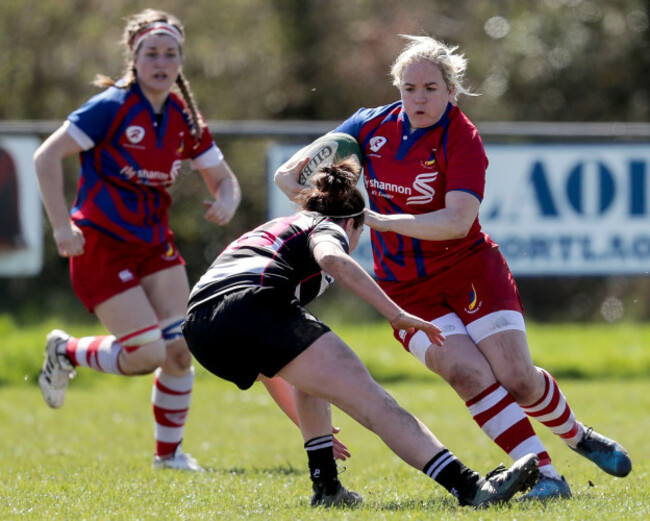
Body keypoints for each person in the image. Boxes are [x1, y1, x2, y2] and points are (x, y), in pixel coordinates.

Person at [274, 35, 632, 500]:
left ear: (451, 90)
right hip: (404, 288)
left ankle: (577, 436)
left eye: (430, 88)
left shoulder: (462, 138)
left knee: (517, 377)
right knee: (466, 373)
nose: (418, 98)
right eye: (409, 88)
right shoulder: (367, 125)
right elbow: (296, 174)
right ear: (397, 88)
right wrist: (291, 176)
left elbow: (455, 221)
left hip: (470, 269)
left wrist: (381, 220)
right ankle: (546, 477)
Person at [183, 159, 540, 508]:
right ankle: (471, 488)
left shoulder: (277, 227)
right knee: (376, 404)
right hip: (252, 306)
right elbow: (332, 259)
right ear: (354, 224)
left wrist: (303, 425)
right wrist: (396, 314)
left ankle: (327, 487)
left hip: (200, 326)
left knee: (311, 376)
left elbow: (273, 365)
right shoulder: (327, 226)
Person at [33, 9, 243, 471]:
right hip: (100, 244)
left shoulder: (184, 117)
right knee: (147, 354)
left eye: (171, 53)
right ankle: (66, 351)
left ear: (180, 61)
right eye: (152, 52)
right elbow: (46, 156)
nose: (161, 61)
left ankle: (169, 456)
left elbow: (223, 180)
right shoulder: (111, 106)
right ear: (135, 56)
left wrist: (226, 199)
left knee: (181, 347)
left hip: (153, 245)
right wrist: (59, 225)